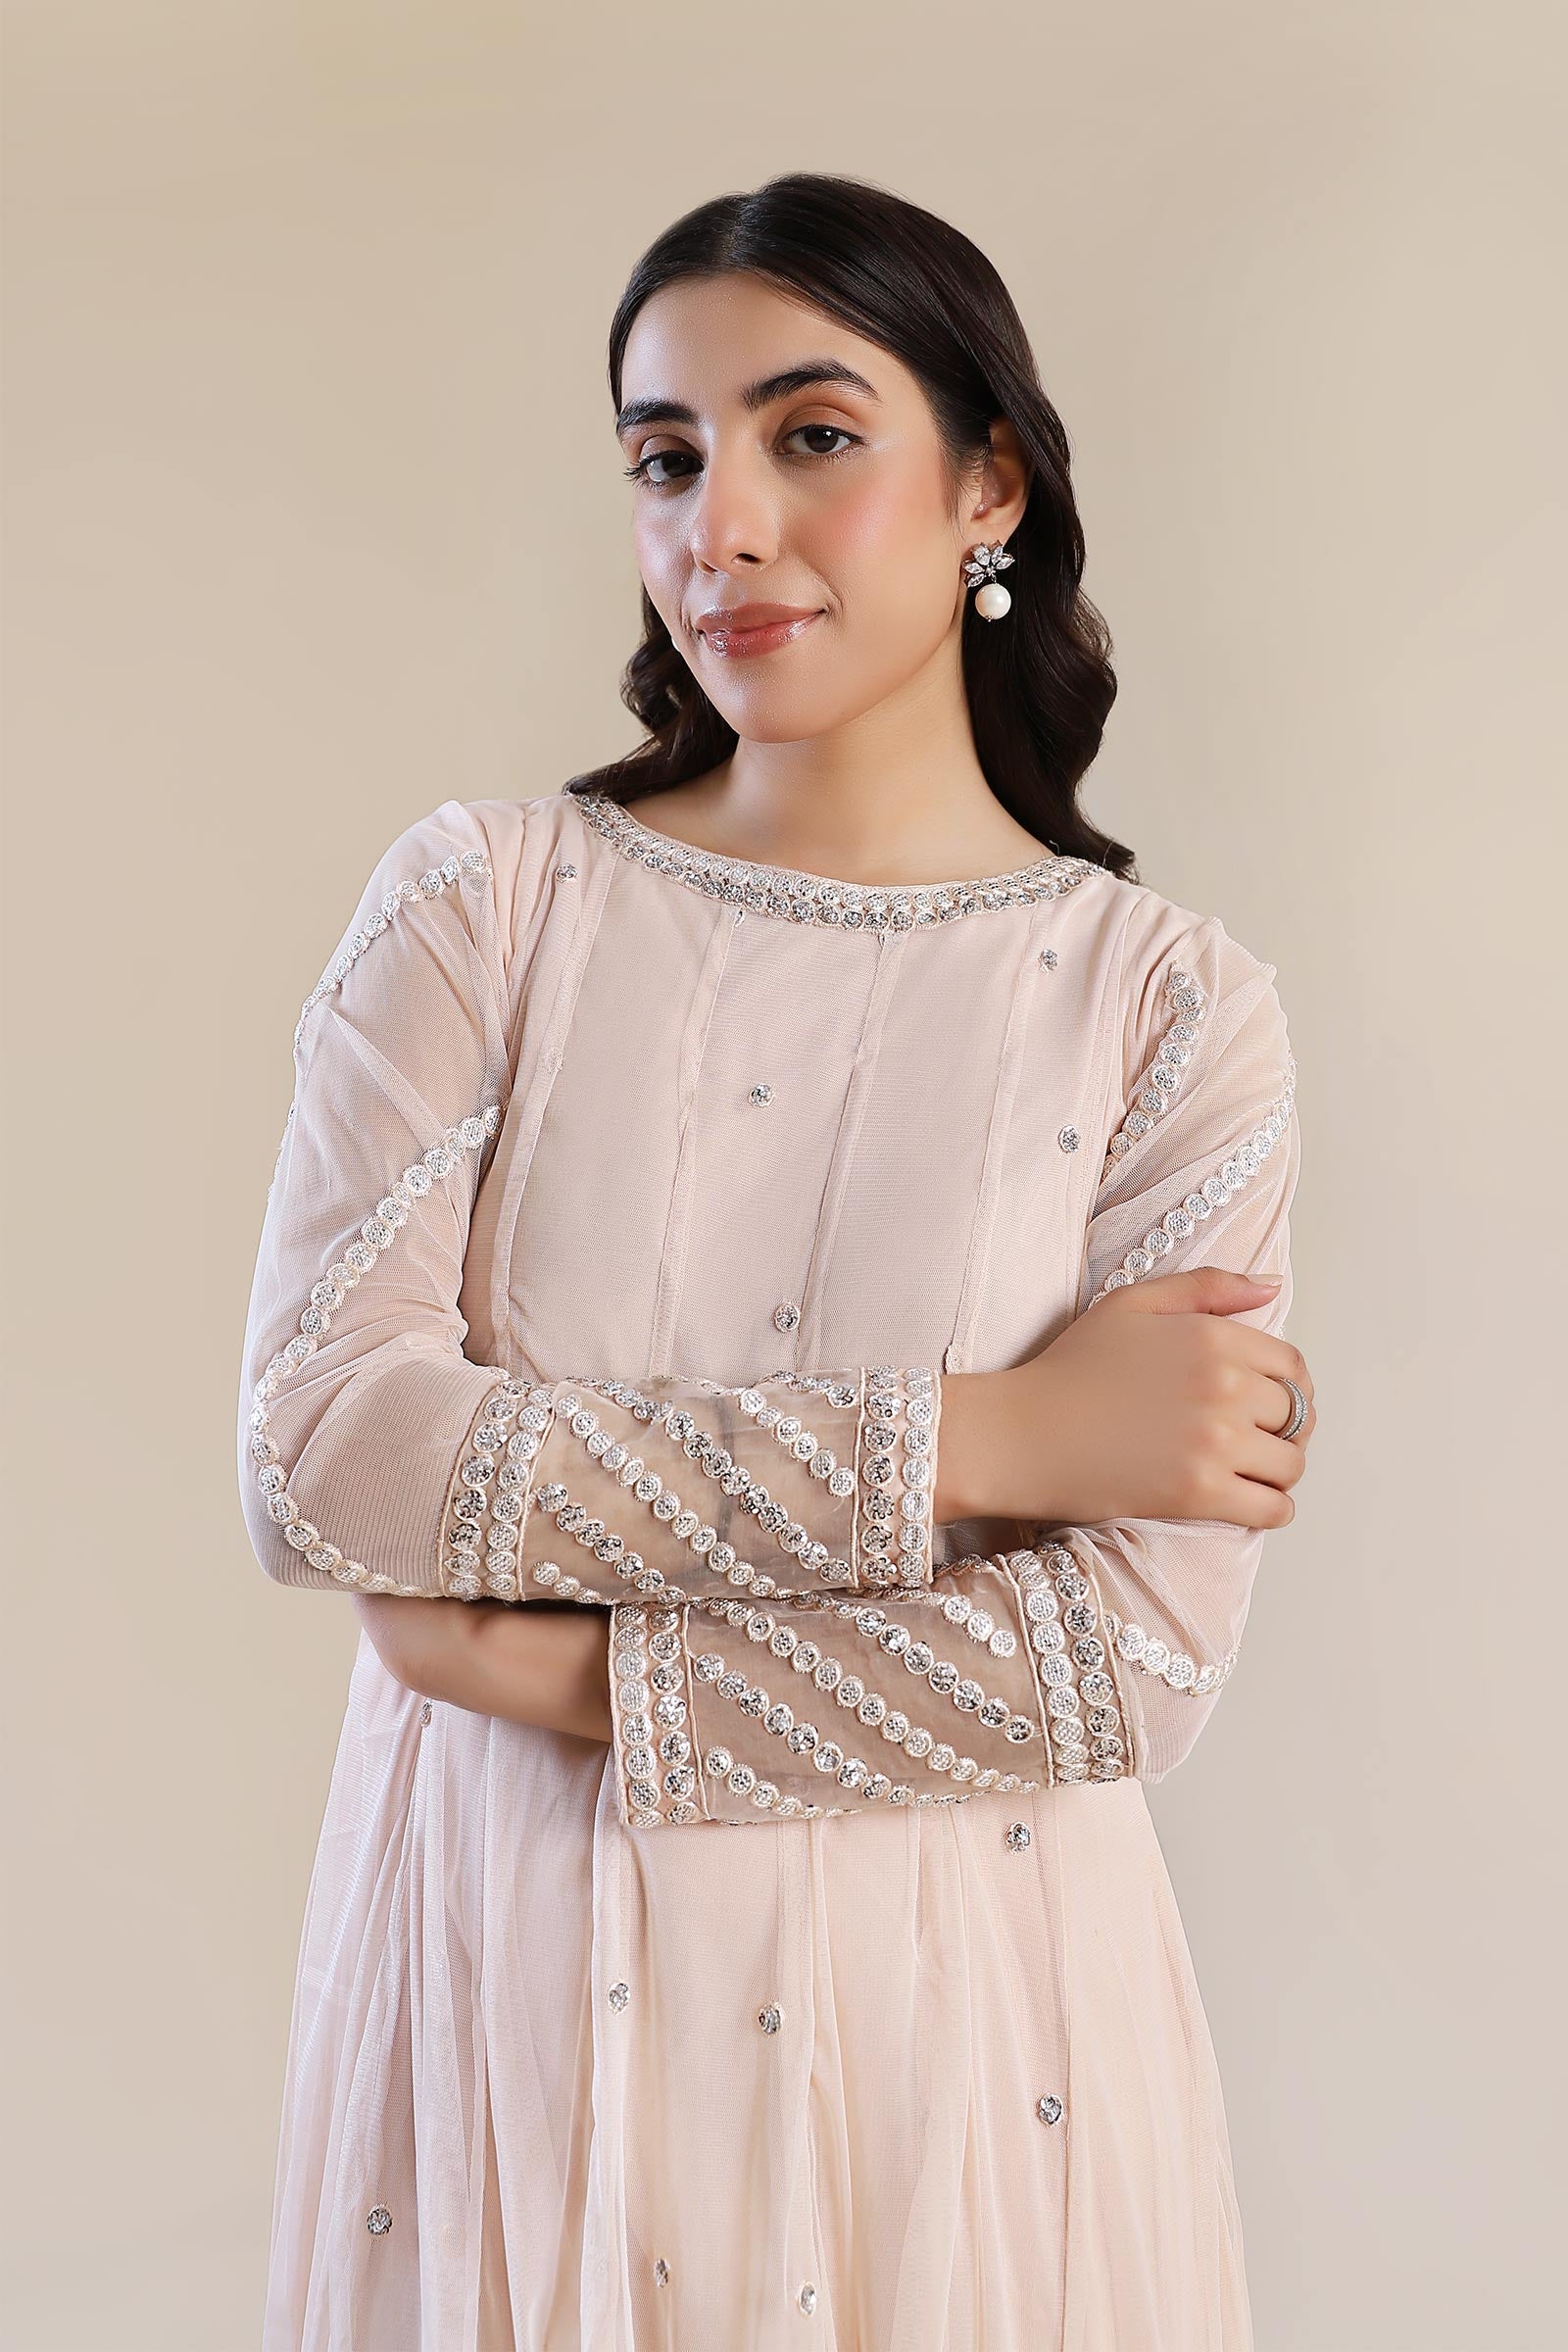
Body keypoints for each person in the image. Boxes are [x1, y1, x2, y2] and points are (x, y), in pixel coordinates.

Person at [238, 171, 1314, 2351]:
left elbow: (1121, 1667)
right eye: (664, 458)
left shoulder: (1168, 1011)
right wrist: (985, 1441)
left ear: (989, 483)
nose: (718, 524)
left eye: (810, 436)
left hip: (972, 2043)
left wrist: (563, 1674)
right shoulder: (487, 908)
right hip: (515, 1989)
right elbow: (330, 1455)